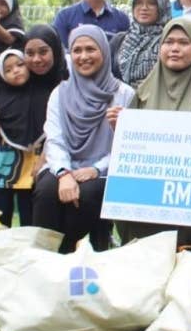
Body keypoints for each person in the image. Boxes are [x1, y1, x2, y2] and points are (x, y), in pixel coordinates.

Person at [117, 18, 191, 247]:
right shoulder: (144, 89)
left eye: (183, 43)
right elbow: (129, 150)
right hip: (149, 192)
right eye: (169, 42)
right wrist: (120, 128)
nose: (175, 48)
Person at [34, 26, 134, 254]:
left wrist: (96, 169)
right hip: (64, 165)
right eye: (77, 50)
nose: (83, 56)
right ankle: (43, 256)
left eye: (91, 49)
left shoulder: (124, 94)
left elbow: (128, 145)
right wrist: (63, 173)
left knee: (89, 194)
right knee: (46, 190)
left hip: (106, 168)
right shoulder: (60, 93)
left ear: (104, 52)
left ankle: (67, 254)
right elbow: (54, 139)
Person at [0, 49, 43, 228]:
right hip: (4, 165)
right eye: (8, 70)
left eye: (20, 64)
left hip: (35, 163)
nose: (15, 71)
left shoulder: (42, 93)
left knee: (30, 220)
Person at [110, 0, 171, 87]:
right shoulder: (119, 40)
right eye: (138, 3)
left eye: (151, 3)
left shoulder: (169, 40)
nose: (144, 8)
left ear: (162, 6)